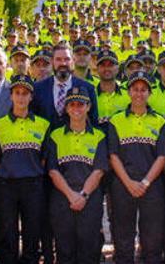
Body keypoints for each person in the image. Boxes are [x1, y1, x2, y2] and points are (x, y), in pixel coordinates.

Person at [107, 71, 165, 264]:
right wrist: (128, 182)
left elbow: (161, 157)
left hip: (151, 185)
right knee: (123, 237)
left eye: (143, 90)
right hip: (122, 184)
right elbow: (113, 155)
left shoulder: (160, 121)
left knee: (152, 239)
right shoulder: (115, 120)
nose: (139, 94)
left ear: (150, 93)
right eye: (135, 89)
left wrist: (144, 182)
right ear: (129, 92)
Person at [0, 75, 51, 264]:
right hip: (6, 186)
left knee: (32, 232)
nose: (21, 97)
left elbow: (44, 159)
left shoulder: (42, 124)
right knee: (7, 233)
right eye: (17, 93)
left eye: (25, 94)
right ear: (11, 95)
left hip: (33, 186)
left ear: (31, 97)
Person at [44, 88, 108, 264]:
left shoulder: (99, 136)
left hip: (90, 199)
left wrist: (83, 195)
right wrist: (71, 195)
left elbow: (99, 170)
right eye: (72, 104)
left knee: (89, 249)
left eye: (81, 104)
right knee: (65, 250)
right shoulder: (56, 135)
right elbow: (53, 171)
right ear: (66, 108)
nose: (76, 108)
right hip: (62, 199)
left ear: (88, 107)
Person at [32, 42, 98, 128]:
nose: (63, 63)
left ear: (73, 61)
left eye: (66, 59)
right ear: (52, 61)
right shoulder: (37, 88)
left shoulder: (88, 88)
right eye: (58, 59)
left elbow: (93, 123)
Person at [93, 49, 130, 127]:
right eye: (103, 65)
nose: (107, 69)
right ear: (97, 68)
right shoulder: (90, 96)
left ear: (118, 68)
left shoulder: (129, 95)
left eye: (110, 65)